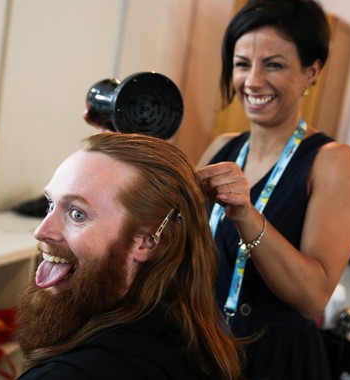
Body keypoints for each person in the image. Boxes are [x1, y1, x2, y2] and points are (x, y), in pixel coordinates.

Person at [196, 0, 350, 379]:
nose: (252, 81)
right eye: (242, 64)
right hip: (205, 345)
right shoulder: (223, 147)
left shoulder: (334, 161)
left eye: (273, 65)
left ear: (312, 71)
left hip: (277, 359)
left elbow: (313, 298)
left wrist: (246, 214)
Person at [16, 132, 243, 379]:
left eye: (77, 214)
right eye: (50, 205)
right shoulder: (191, 339)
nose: (41, 231)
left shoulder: (70, 373)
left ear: (147, 242)